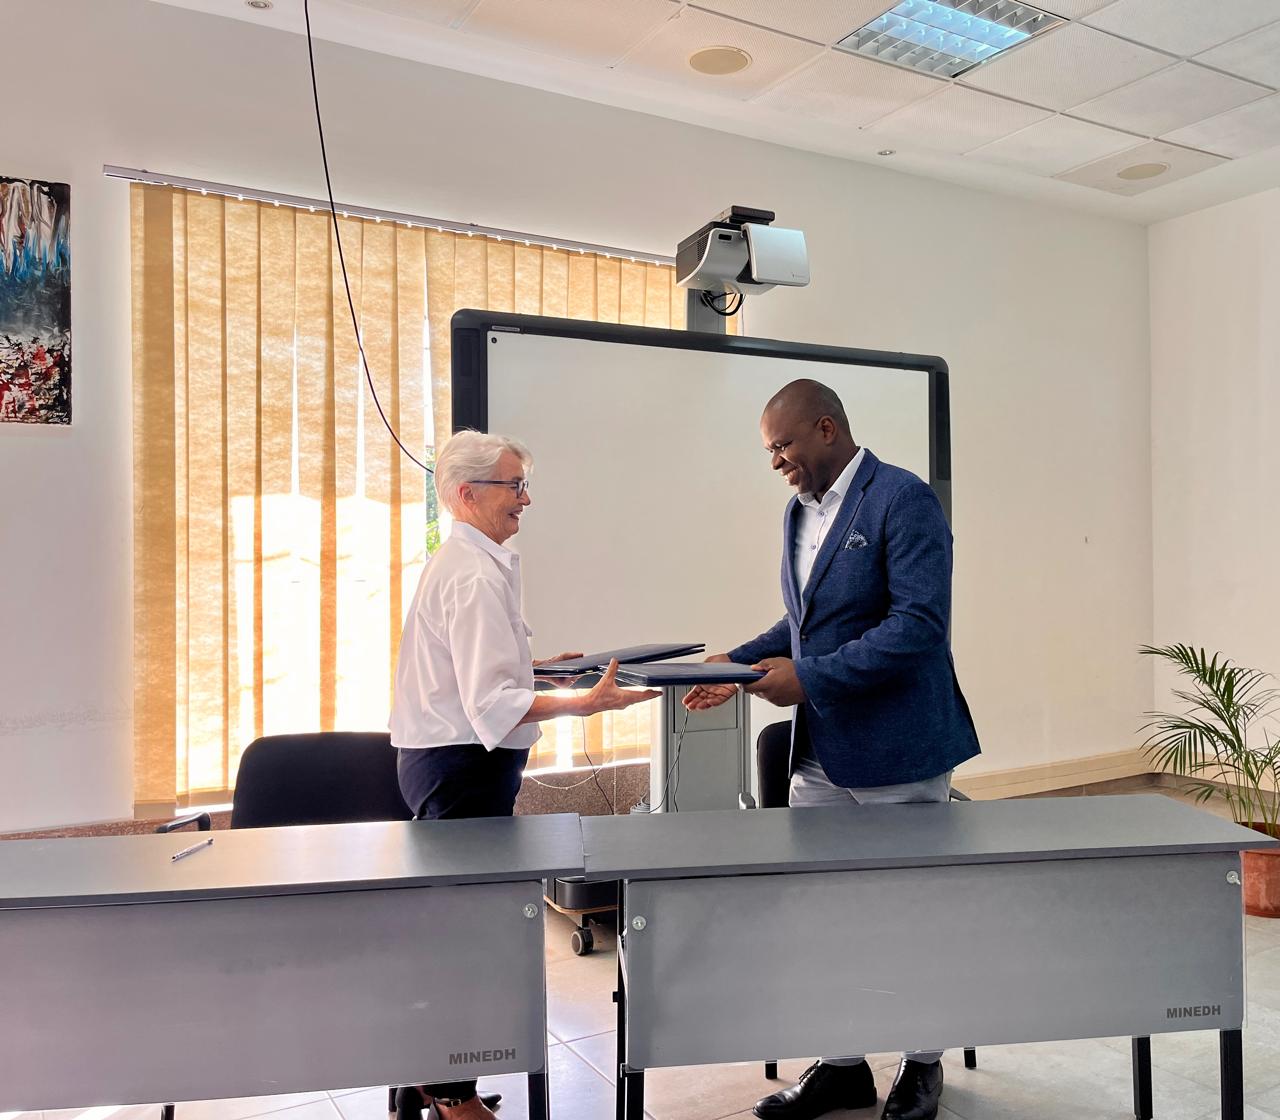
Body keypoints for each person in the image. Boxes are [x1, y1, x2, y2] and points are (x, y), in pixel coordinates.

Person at [685, 379, 980, 1120]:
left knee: (908, 916)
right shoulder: (798, 511)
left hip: (901, 753)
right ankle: (843, 1066)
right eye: (769, 451)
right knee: (825, 914)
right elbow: (807, 622)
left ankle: (923, 1064)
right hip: (820, 756)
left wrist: (807, 679)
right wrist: (736, 662)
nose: (776, 462)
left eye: (782, 446)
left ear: (826, 429)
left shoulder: (902, 498)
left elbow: (918, 627)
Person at [390, 429, 658, 1120]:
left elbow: (477, 677)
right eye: (514, 487)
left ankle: (438, 1082)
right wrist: (586, 700)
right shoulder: (474, 575)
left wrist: (541, 670)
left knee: (462, 924)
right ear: (465, 494)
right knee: (464, 931)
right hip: (461, 770)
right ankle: (450, 1096)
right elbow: (489, 707)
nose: (526, 499)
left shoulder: (469, 562)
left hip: (452, 765)